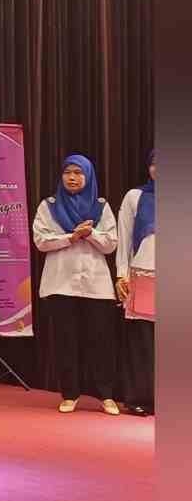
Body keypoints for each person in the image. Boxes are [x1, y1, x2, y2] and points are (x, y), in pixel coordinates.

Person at [33, 154, 120, 415]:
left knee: (100, 341)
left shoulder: (101, 207)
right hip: (60, 283)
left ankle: (106, 395)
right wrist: (71, 237)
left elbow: (111, 243)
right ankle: (69, 394)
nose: (72, 177)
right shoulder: (48, 206)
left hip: (96, 285)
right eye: (67, 172)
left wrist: (90, 233)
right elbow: (41, 240)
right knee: (66, 341)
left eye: (78, 173)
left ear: (88, 176)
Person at [115, 149, 156, 416]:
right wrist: (121, 274)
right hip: (142, 274)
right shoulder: (135, 196)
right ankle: (140, 398)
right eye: (155, 164)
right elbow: (124, 237)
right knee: (142, 342)